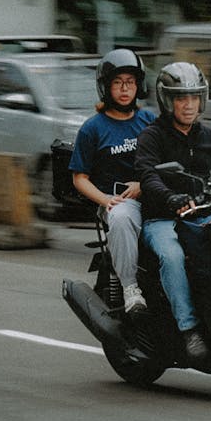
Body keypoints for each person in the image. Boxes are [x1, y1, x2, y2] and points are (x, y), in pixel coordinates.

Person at [134, 62, 211, 362]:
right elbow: (147, 175)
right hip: (161, 218)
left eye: (194, 97)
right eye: (181, 98)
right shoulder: (152, 136)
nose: (189, 105)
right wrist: (169, 197)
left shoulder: (207, 136)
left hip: (201, 214)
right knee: (172, 256)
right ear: (168, 101)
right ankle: (189, 328)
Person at [69, 48, 156, 314]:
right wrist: (106, 200)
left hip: (152, 194)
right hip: (117, 202)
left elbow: (163, 160)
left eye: (129, 82)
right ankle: (130, 288)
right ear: (106, 88)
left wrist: (144, 185)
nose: (124, 89)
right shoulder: (93, 128)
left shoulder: (148, 119)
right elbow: (79, 178)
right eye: (117, 83)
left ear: (138, 86)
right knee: (121, 218)